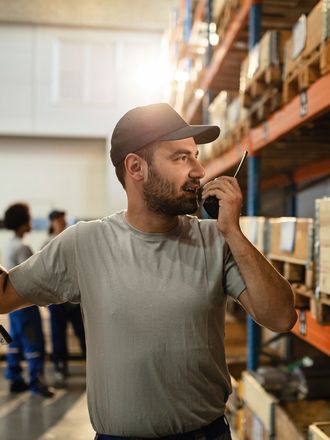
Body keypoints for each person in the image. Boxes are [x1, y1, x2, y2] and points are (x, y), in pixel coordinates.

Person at [0, 103, 297, 439]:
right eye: (181, 157)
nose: (199, 170)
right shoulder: (84, 243)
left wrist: (233, 232)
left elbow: (281, 317)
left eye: (196, 156)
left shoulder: (215, 239)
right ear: (136, 167)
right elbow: (4, 296)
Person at [2, 203, 54, 398]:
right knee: (35, 345)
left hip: (12, 306)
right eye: (29, 218)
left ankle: (15, 378)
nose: (31, 222)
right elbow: (33, 277)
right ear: (22, 222)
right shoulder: (23, 247)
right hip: (25, 304)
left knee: (15, 343)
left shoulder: (10, 244)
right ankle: (36, 382)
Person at [43, 210, 86, 383]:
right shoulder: (47, 244)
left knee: (83, 333)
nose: (62, 223)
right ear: (52, 222)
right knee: (58, 335)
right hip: (56, 300)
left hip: (73, 300)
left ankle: (90, 365)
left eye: (64, 220)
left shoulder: (71, 241)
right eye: (59, 220)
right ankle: (60, 367)